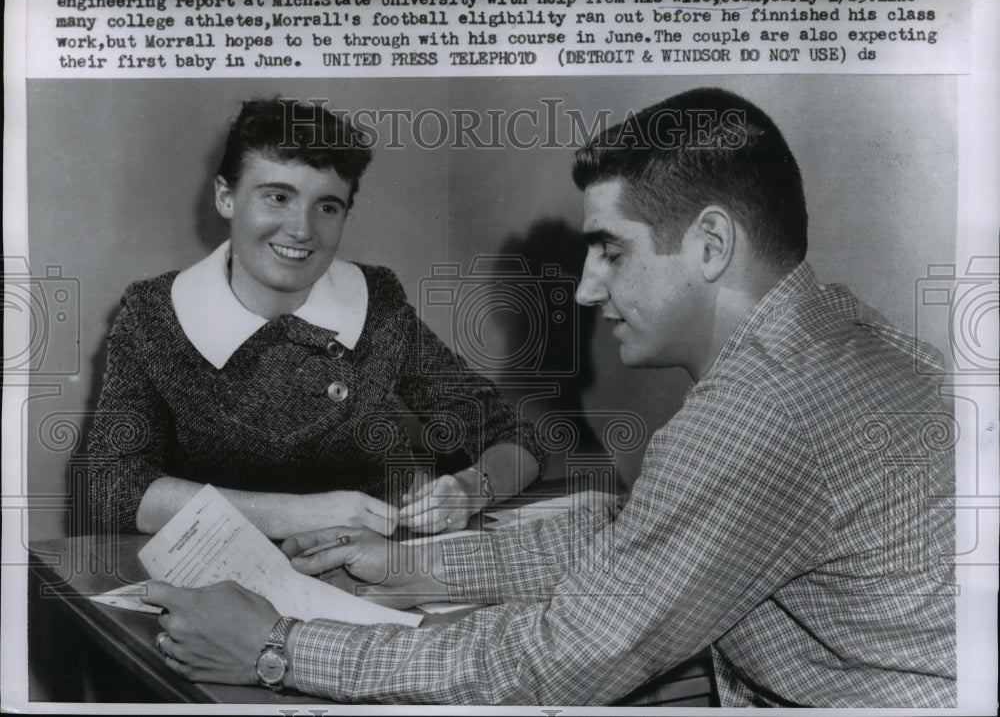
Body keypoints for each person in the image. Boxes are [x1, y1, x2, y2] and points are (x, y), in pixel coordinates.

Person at [141, 88, 956, 707]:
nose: (587, 289)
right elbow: (650, 542)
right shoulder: (845, 337)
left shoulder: (757, 413)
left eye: (609, 248)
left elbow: (560, 657)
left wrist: (278, 646)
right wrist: (417, 567)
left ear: (710, 244)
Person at [86, 98, 544, 539]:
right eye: (277, 197)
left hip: (378, 569)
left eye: (327, 206)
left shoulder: (378, 303)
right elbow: (112, 489)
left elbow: (510, 433)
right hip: (220, 575)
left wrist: (470, 489)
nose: (302, 230)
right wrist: (298, 515)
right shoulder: (155, 316)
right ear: (226, 197)